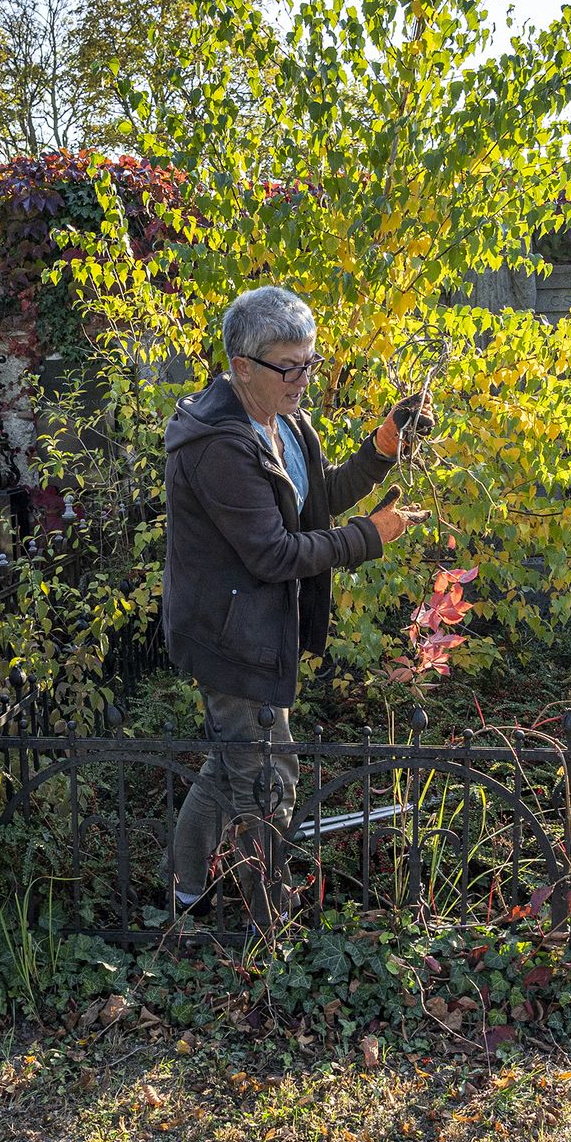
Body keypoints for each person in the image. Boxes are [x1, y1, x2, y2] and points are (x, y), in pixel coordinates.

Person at [162, 285, 431, 924]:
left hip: (260, 626)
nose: (304, 379)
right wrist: (372, 536)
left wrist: (384, 445)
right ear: (243, 367)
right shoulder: (219, 446)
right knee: (267, 779)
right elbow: (275, 554)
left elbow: (317, 500)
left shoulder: (284, 421)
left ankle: (184, 890)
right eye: (291, 366)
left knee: (236, 763)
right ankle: (267, 920)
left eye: (309, 363)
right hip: (229, 635)